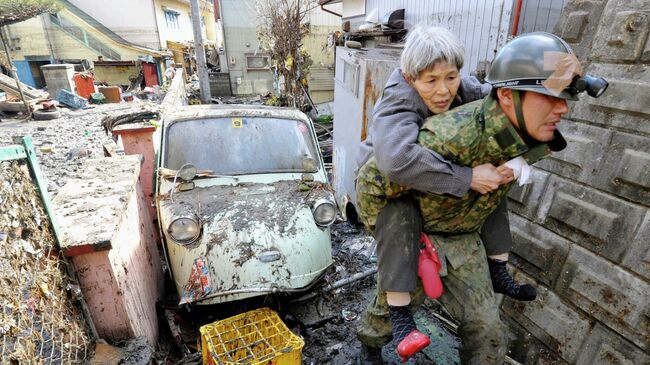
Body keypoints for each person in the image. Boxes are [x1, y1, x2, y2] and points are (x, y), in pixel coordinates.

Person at [356, 31, 593, 363]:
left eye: (450, 77)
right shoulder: (400, 98)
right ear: (411, 78)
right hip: (393, 186)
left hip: (451, 210)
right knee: (398, 246)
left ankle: (497, 267)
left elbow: (505, 94)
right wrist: (467, 177)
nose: (443, 90)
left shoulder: (466, 90)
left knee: (494, 197)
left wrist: (561, 76)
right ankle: (387, 329)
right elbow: (394, 162)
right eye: (430, 81)